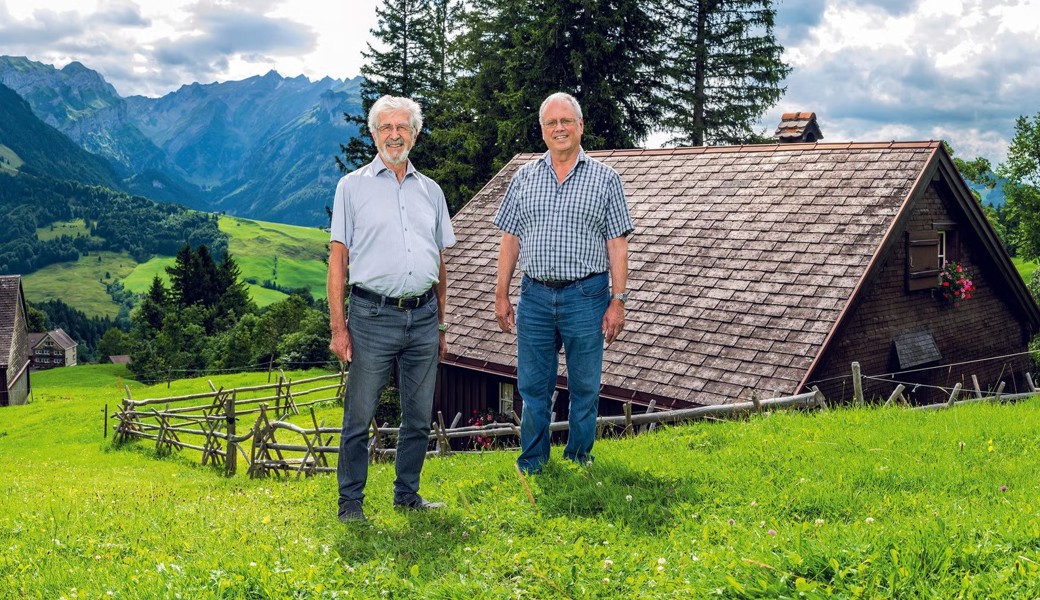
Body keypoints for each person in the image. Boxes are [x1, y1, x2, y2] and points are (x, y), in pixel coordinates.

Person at [328, 95, 456, 522]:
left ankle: (407, 495)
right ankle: (350, 504)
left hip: (423, 317)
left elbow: (439, 261)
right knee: (359, 416)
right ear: (373, 134)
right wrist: (338, 328)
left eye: (403, 127)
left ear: (415, 135)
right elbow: (338, 262)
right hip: (371, 316)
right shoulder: (351, 187)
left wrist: (441, 325)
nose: (394, 135)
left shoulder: (432, 191)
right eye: (386, 127)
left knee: (418, 416)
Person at [493, 92, 634, 474]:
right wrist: (501, 294)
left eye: (566, 121)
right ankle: (533, 462)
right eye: (552, 123)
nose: (560, 128)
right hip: (534, 296)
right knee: (533, 387)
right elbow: (510, 239)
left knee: (585, 387)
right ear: (542, 130)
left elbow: (617, 244)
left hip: (586, 296)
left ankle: (578, 459)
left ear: (580, 126)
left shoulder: (606, 179)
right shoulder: (524, 178)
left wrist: (618, 300)